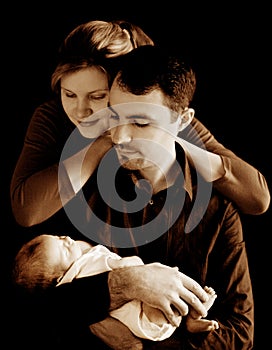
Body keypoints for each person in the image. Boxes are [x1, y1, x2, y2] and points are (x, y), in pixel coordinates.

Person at [69, 45, 253, 349]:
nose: (120, 137)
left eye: (140, 123)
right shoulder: (86, 191)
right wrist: (128, 283)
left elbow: (240, 333)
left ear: (182, 121)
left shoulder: (218, 212)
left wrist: (138, 347)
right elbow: (43, 300)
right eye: (115, 117)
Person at [10, 20, 270, 233]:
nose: (80, 111)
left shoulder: (152, 113)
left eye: (98, 97)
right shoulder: (52, 117)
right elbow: (27, 211)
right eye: (69, 94)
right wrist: (104, 142)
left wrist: (169, 140)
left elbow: (257, 198)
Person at [12, 234, 218, 349]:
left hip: (141, 317)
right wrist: (134, 269)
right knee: (167, 294)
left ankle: (191, 318)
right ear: (59, 277)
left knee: (171, 296)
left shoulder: (76, 269)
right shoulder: (81, 272)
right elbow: (119, 266)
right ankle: (190, 317)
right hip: (139, 313)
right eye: (63, 249)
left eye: (58, 237)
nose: (66, 239)